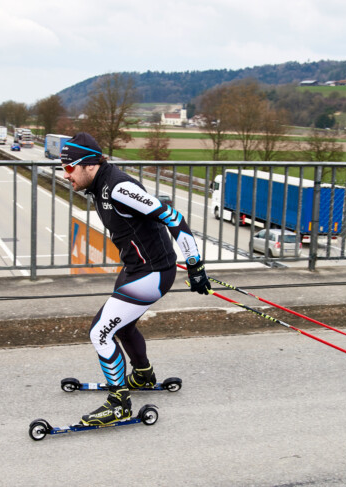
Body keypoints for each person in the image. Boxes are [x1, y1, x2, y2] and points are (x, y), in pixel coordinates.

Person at [61, 132, 211, 426]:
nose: (66, 175)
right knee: (123, 325)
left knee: (100, 332)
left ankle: (119, 404)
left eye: (69, 168)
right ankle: (142, 374)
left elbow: (174, 217)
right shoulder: (99, 184)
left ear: (89, 165)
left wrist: (195, 266)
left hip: (153, 273)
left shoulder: (118, 188)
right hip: (136, 268)